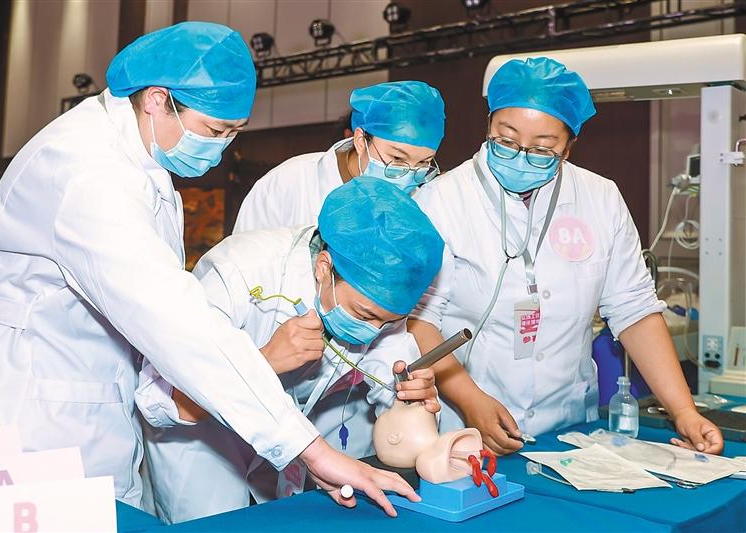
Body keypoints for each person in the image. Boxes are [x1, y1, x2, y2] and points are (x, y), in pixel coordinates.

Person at [0, 22, 417, 515]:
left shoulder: (140, 162)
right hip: (42, 420)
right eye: (214, 131)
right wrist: (310, 449)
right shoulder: (86, 174)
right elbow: (176, 321)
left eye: (234, 133)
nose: (222, 148)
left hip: (96, 407)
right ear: (157, 100)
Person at [407, 57, 724, 456]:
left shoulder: (600, 198)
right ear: (488, 126)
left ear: (568, 148)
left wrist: (684, 411)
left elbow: (635, 309)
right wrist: (470, 400)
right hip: (463, 426)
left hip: (569, 427)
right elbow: (419, 320)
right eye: (506, 140)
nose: (521, 157)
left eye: (543, 149)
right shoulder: (440, 200)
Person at [138, 177, 445, 523]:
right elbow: (157, 401)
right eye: (363, 315)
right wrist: (264, 361)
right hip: (203, 447)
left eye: (389, 322)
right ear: (324, 267)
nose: (373, 332)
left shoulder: (378, 303)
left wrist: (413, 402)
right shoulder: (239, 270)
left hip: (287, 451)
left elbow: (392, 387)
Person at [233, 80, 445, 232]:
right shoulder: (288, 184)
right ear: (360, 140)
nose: (407, 177)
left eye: (423, 163)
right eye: (397, 159)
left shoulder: (423, 200)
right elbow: (242, 263)